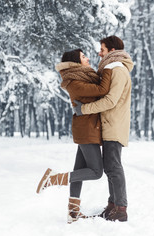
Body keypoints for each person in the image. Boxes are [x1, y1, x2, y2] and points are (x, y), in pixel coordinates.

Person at [36, 49, 116, 224]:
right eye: (83, 57)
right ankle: (53, 179)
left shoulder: (82, 77)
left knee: (79, 171)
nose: (87, 58)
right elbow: (102, 89)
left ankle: (73, 213)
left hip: (88, 129)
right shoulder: (74, 82)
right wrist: (110, 67)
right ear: (76, 62)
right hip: (86, 130)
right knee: (96, 172)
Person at [73, 36, 134, 222]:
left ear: (112, 51)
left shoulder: (117, 69)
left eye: (103, 49)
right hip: (109, 125)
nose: (99, 53)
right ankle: (113, 206)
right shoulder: (113, 68)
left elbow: (110, 101)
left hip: (114, 125)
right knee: (110, 167)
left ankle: (121, 209)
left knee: (113, 167)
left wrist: (83, 110)